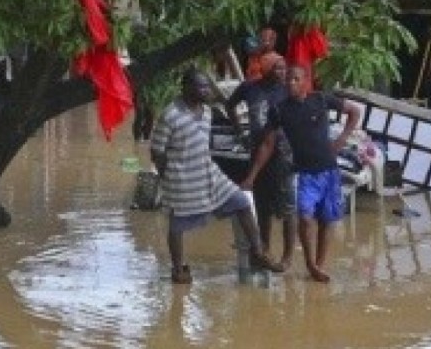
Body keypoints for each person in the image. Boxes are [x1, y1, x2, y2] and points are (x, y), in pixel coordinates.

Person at [150, 68, 283, 284]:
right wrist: (168, 176)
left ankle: (258, 253)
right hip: (181, 177)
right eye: (201, 86)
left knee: (241, 201)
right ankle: (178, 270)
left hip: (208, 171)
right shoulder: (170, 115)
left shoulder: (208, 112)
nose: (206, 90)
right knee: (177, 225)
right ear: (186, 88)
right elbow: (157, 151)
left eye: (207, 86)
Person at [241, 64, 361, 283]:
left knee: (326, 220)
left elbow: (355, 111)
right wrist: (252, 176)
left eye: (295, 79)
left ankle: (319, 265)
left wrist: (342, 138)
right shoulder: (280, 109)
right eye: (288, 80)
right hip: (305, 174)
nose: (290, 83)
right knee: (304, 219)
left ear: (306, 80)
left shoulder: (321, 99)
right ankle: (310, 263)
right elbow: (267, 144)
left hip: (329, 171)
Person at [225, 53, 296, 270]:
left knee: (287, 209)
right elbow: (230, 105)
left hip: (284, 153)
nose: (282, 73)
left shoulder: (287, 90)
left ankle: (287, 257)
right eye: (277, 69)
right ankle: (264, 249)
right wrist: (239, 130)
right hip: (257, 150)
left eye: (284, 68)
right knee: (262, 206)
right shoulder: (249, 88)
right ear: (265, 69)